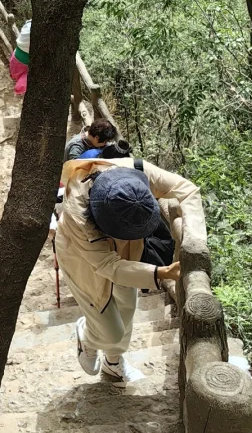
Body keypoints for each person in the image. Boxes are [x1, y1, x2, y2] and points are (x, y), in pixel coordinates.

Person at [55, 156, 204, 384]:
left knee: (127, 306)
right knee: (110, 330)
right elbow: (108, 265)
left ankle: (113, 362)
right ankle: (87, 337)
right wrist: (162, 273)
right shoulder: (79, 213)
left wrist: (195, 241)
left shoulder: (136, 173)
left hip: (127, 248)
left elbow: (188, 191)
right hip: (81, 258)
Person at [9, 19, 31, 96]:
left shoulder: (29, 25)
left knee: (19, 77)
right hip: (24, 64)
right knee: (22, 84)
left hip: (15, 57)